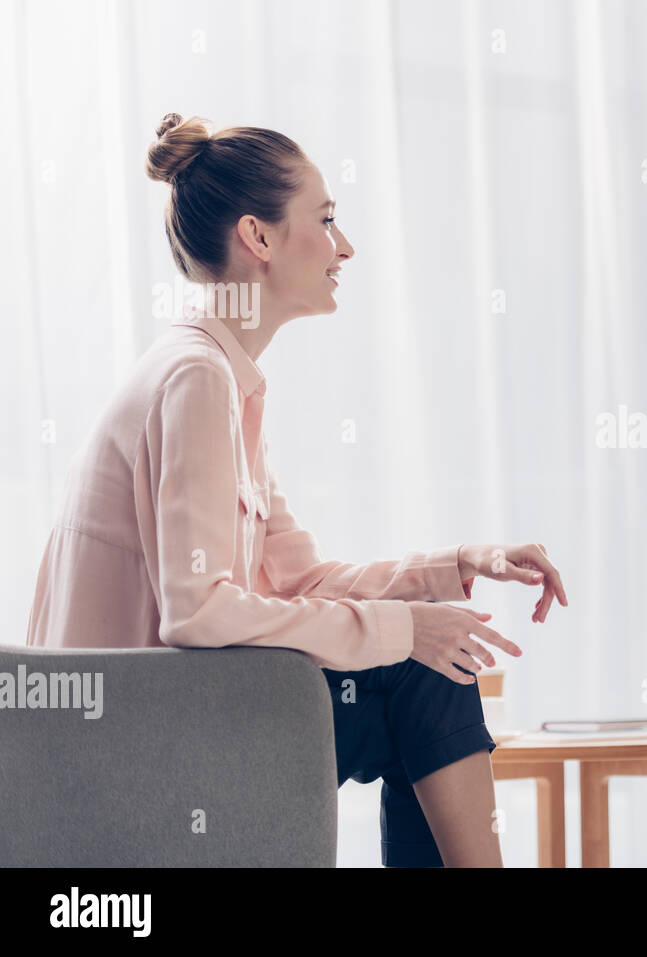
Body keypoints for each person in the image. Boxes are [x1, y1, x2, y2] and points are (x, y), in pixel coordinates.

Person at [25, 113, 568, 867]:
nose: (345, 247)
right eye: (327, 219)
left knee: (424, 659)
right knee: (420, 671)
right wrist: (406, 631)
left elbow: (303, 580)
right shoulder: (197, 379)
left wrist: (459, 563)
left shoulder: (220, 379)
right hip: (130, 752)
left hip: (163, 722)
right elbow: (199, 610)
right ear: (260, 237)